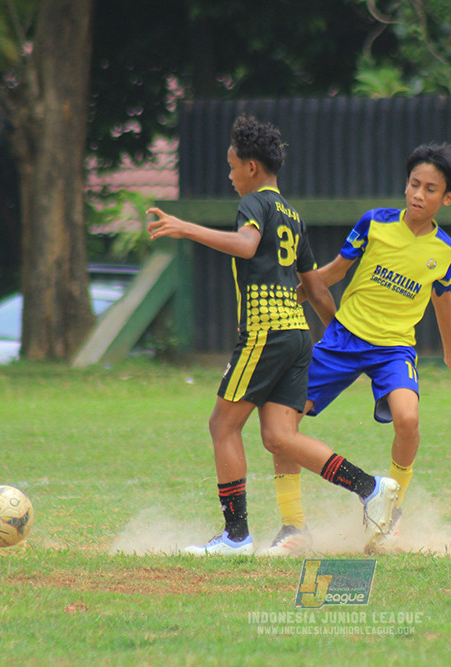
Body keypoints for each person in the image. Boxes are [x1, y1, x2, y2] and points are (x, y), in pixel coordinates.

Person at [147, 115, 400, 556]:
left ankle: (235, 537)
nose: (229, 176)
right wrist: (336, 334)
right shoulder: (292, 215)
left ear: (250, 167)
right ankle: (371, 487)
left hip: (265, 331)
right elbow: (317, 287)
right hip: (297, 335)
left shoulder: (255, 204)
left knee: (222, 425)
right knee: (280, 438)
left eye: (231, 166)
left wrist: (184, 227)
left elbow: (245, 246)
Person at [262, 142, 451, 557]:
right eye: (414, 184)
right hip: (341, 340)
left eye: (431, 189)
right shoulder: (374, 223)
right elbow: (334, 272)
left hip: (393, 350)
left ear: (447, 198)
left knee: (408, 419)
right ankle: (292, 526)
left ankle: (389, 512)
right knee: (283, 427)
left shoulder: (445, 250)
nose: (418, 195)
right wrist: (292, 297)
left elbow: (442, 300)